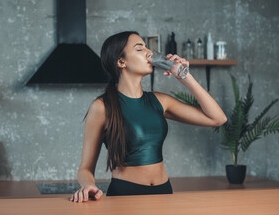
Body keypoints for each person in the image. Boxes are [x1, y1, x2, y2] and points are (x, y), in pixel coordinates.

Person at [70, 31, 227, 202]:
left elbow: (217, 118)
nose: (149, 53)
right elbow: (85, 169)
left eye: (147, 47)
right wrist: (88, 185)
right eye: (140, 49)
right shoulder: (101, 107)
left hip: (164, 191)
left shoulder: (160, 101)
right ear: (121, 62)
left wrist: (184, 76)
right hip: (126, 194)